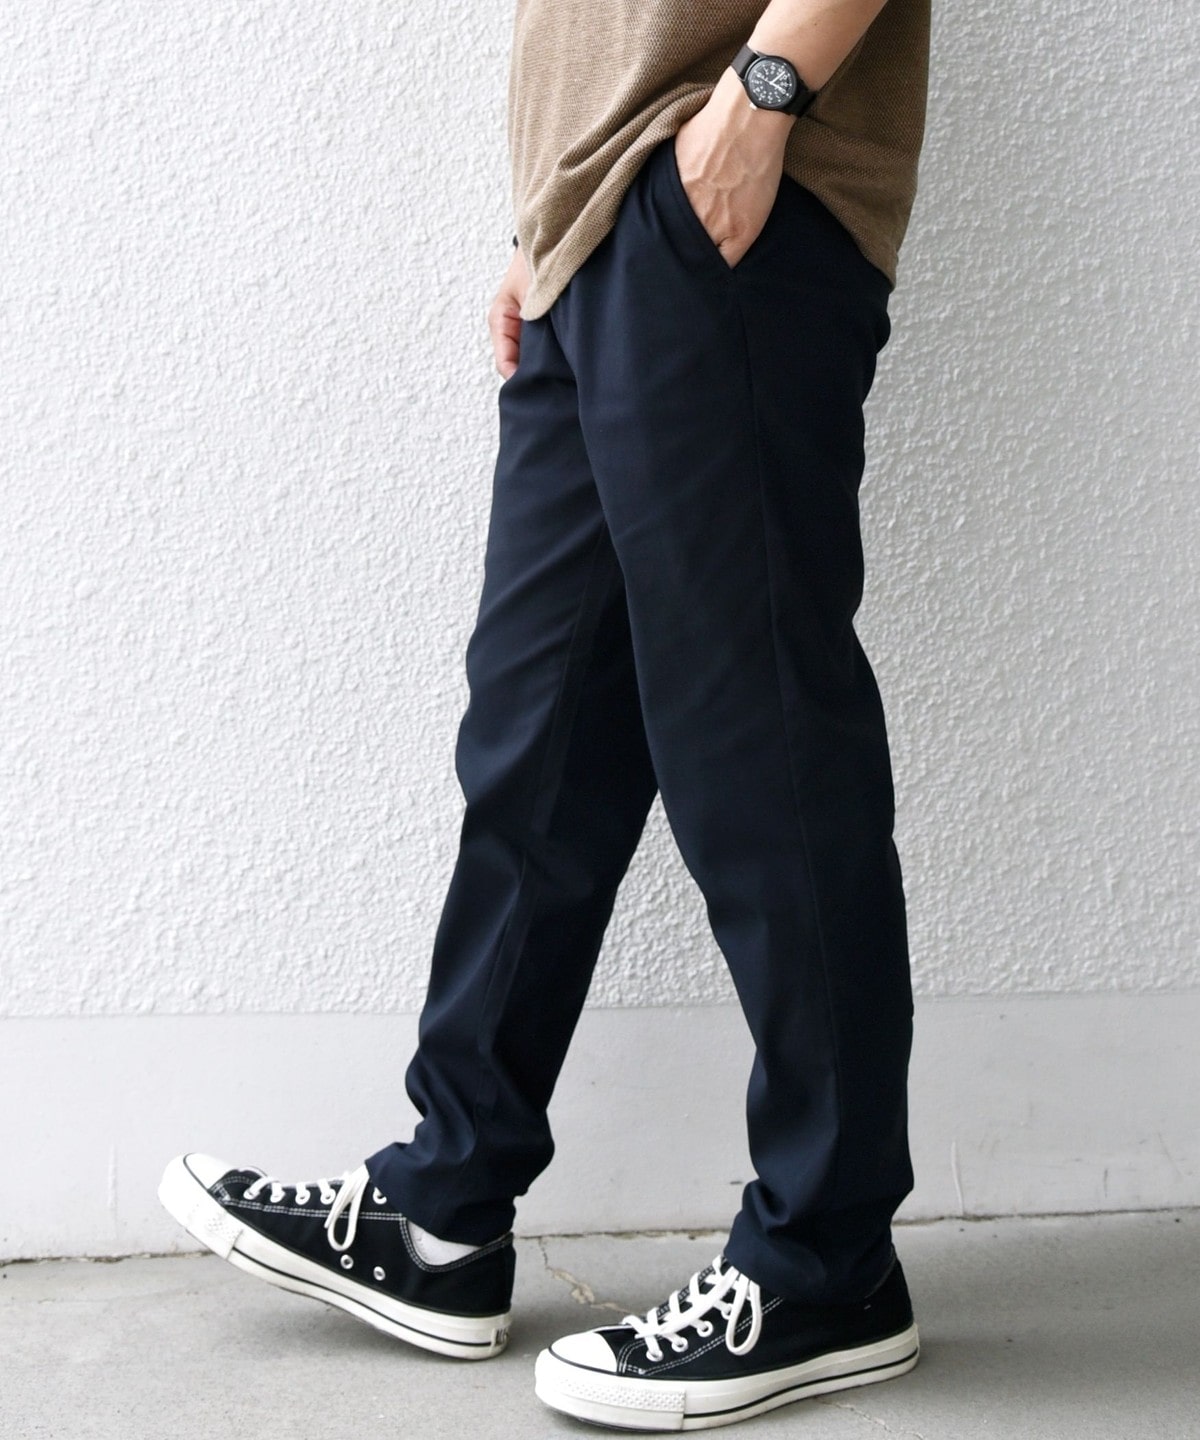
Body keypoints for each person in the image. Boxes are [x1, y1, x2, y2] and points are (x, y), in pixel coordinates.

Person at [159, 0, 931, 1429]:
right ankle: (444, 1210)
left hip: (734, 198)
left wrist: (764, 98)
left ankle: (829, 1260)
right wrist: (554, 218)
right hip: (598, 226)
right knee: (536, 749)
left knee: (758, 747)